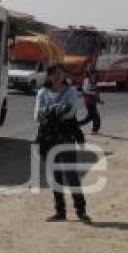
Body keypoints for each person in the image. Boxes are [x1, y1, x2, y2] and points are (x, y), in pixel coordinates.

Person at [35, 63, 91, 224]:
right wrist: (58, 109)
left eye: (62, 73)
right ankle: (60, 212)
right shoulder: (42, 93)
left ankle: (81, 212)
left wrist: (49, 111)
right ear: (50, 76)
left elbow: (71, 112)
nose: (59, 76)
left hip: (65, 139)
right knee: (56, 177)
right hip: (48, 139)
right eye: (56, 73)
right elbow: (37, 116)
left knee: (72, 176)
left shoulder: (71, 92)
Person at [79, 69, 103, 134]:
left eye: (95, 74)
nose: (94, 76)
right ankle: (95, 130)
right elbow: (85, 90)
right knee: (95, 117)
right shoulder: (87, 80)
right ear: (89, 74)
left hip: (93, 101)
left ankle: (76, 125)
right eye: (93, 74)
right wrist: (94, 93)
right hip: (88, 101)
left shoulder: (93, 81)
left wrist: (99, 100)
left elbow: (96, 91)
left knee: (90, 117)